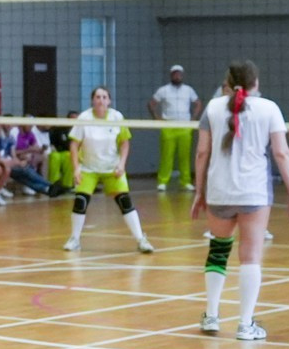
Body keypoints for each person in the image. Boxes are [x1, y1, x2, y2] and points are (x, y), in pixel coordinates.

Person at [192, 62, 289, 341]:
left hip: (219, 191)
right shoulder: (269, 108)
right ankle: (245, 324)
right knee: (250, 258)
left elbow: (202, 153)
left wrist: (198, 192)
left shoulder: (213, 108)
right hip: (253, 193)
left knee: (218, 252)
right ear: (256, 83)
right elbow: (281, 154)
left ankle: (212, 316)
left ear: (227, 83)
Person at [64, 85, 151, 255]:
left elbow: (125, 142)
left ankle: (141, 239)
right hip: (88, 167)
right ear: (92, 100)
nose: (101, 100)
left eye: (104, 97)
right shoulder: (84, 118)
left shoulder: (116, 117)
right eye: (97, 97)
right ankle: (74, 239)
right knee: (80, 200)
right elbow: (74, 145)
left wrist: (121, 164)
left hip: (112, 167)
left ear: (109, 101)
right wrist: (76, 169)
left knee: (124, 201)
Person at [149, 66, 199, 192]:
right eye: (175, 74)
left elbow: (198, 103)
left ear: (182, 75)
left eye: (179, 74)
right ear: (171, 75)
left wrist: (193, 118)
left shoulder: (188, 90)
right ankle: (162, 181)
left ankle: (186, 181)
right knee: (167, 155)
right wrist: (157, 118)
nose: (177, 76)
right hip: (168, 126)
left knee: (185, 155)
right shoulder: (163, 90)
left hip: (185, 126)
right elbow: (151, 104)